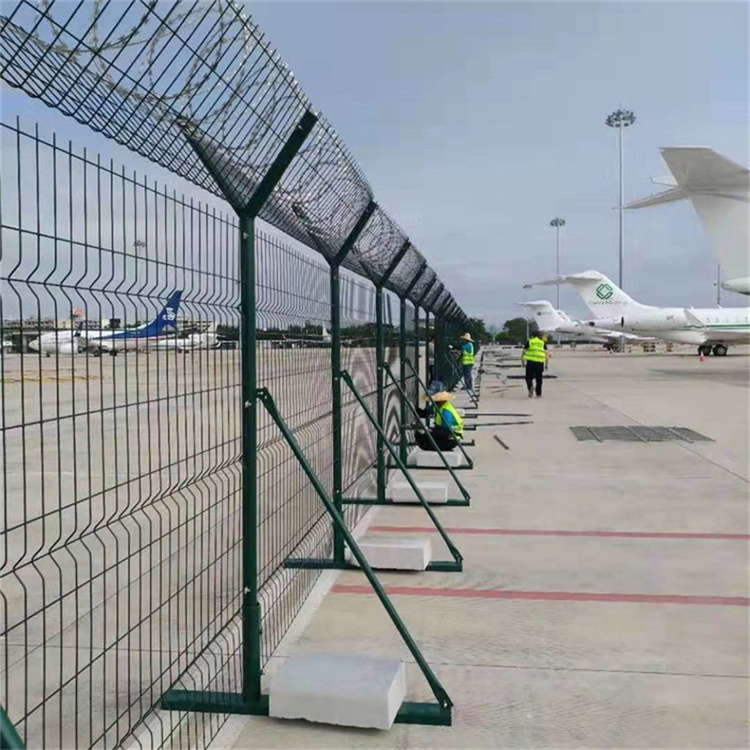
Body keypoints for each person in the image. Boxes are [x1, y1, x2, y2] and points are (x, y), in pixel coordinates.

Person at [522, 332, 548, 397]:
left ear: (532, 336)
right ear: (539, 336)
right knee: (539, 378)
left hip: (530, 362)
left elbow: (524, 352)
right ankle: (538, 393)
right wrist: (546, 364)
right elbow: (546, 354)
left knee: (528, 377)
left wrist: (522, 361)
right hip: (540, 362)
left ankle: (530, 386)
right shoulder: (542, 343)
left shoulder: (530, 341)